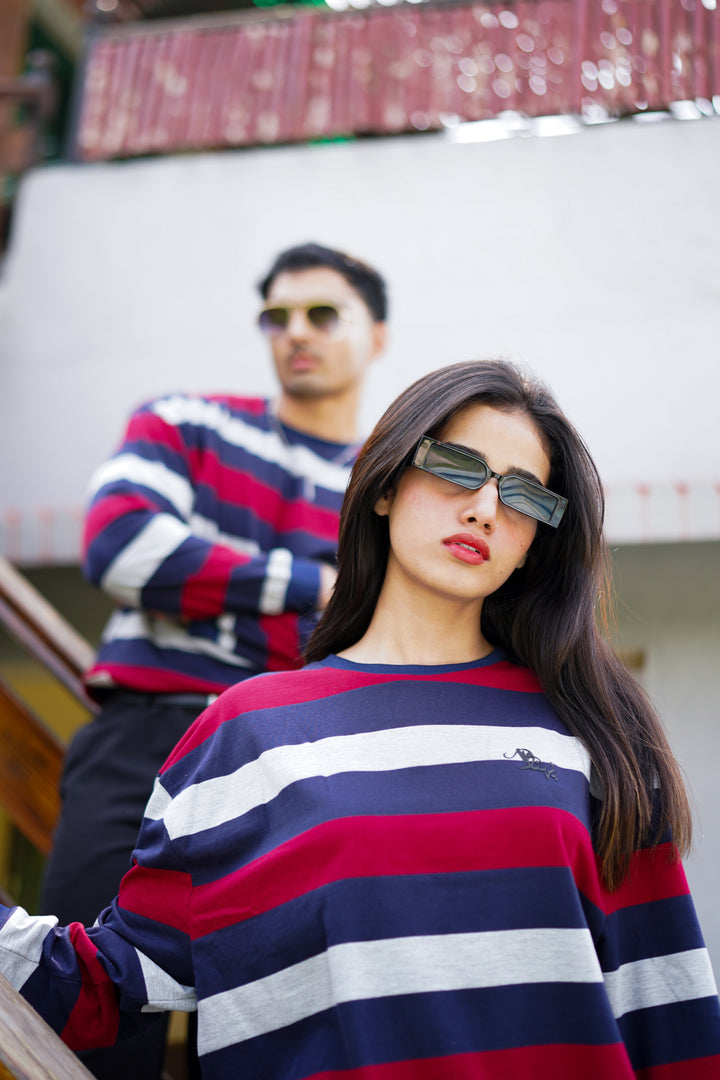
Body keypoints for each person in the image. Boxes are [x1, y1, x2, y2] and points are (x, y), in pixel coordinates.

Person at [5, 358, 720, 1079]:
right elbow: (100, 986)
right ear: (385, 484)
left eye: (526, 496)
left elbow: (675, 1016)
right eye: (458, 467)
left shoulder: (592, 731)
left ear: (537, 542)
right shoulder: (244, 734)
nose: (485, 509)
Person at [38, 241, 388, 1080]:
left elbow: (374, 633)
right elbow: (121, 547)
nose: (294, 332)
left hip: (294, 767)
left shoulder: (391, 487)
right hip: (141, 743)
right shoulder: (184, 421)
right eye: (276, 316)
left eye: (322, 314)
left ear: (377, 335)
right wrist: (311, 583)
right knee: (79, 1006)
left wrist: (200, 578)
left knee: (259, 1026)